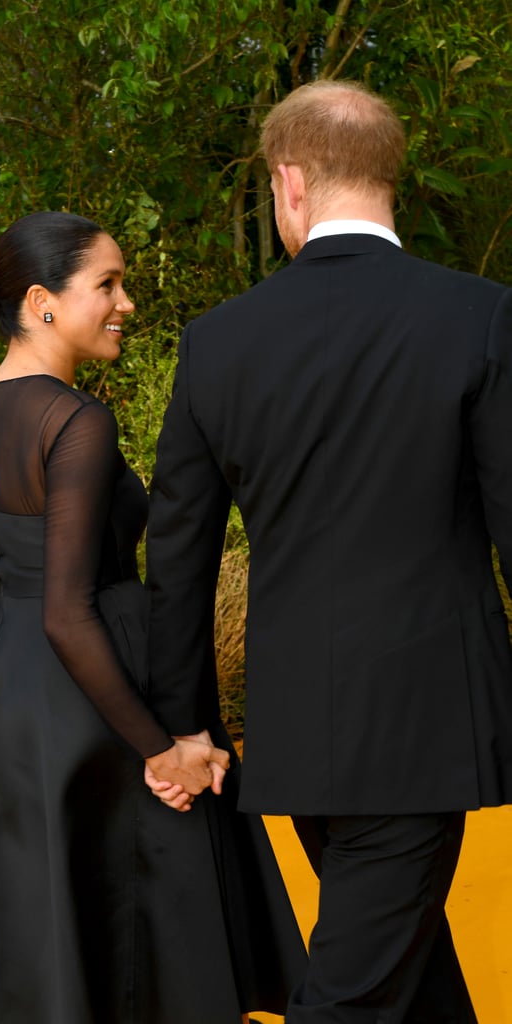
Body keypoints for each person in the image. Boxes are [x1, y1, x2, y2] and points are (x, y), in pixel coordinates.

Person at [0, 210, 306, 1024]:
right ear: (41, 301)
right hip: (86, 699)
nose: (125, 302)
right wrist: (162, 749)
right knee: (146, 947)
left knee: (38, 927)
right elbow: (68, 612)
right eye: (107, 284)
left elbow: (19, 584)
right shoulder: (76, 421)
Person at [145, 80, 512, 1023]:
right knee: (360, 984)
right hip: (430, 723)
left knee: (398, 959)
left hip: (297, 719)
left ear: (289, 182)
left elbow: (177, 558)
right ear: (390, 177)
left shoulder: (217, 343)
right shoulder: (479, 318)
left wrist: (187, 725)